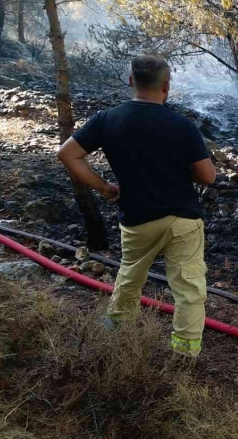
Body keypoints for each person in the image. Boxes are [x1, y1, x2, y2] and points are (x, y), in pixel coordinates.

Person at [57, 55, 216, 359]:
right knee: (189, 289)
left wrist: (104, 187)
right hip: (182, 218)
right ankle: (185, 353)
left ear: (131, 81)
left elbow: (67, 154)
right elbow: (207, 176)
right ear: (167, 86)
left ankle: (117, 333)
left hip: (137, 217)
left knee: (130, 276)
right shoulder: (182, 125)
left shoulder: (106, 119)